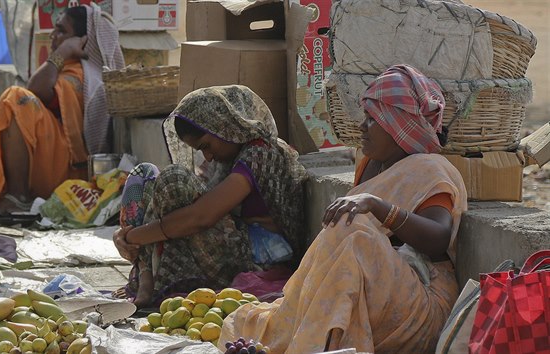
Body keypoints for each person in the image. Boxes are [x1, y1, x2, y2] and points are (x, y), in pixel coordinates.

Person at [219, 65, 468, 353]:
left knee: (357, 231)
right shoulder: (372, 163)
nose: (362, 127)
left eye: (372, 119)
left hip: (420, 307)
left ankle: (308, 344)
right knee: (246, 321)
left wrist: (375, 205)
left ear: (398, 125)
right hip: (378, 298)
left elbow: (438, 237)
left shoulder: (429, 169)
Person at [112, 85, 307, 308]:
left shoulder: (261, 152)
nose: (208, 156)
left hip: (254, 261)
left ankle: (146, 276)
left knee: (174, 179)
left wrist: (133, 237)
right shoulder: (226, 161)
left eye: (206, 146)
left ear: (224, 126)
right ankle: (145, 272)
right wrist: (127, 234)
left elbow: (201, 216)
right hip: (227, 245)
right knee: (144, 174)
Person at [0, 4, 124, 211]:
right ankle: (1, 187)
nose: (53, 35)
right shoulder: (68, 73)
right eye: (55, 29)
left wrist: (61, 53)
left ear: (82, 43)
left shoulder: (80, 78)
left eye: (62, 31)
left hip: (60, 171)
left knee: (16, 96)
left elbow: (33, 92)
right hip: (43, 161)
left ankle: (16, 197)